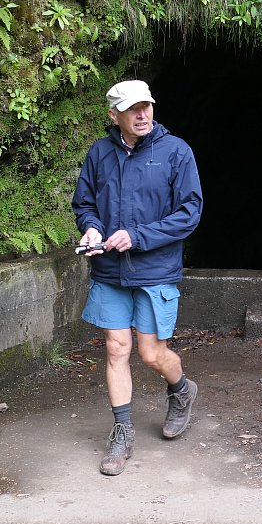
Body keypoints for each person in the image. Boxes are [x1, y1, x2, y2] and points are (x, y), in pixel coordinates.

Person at [71, 79, 204, 476]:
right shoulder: (100, 153)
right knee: (116, 349)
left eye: (146, 105)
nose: (142, 114)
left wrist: (138, 236)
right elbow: (85, 203)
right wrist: (92, 228)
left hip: (154, 269)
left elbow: (189, 213)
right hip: (110, 269)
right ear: (114, 115)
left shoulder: (176, 152)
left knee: (151, 354)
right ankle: (123, 432)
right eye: (132, 109)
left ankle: (182, 390)